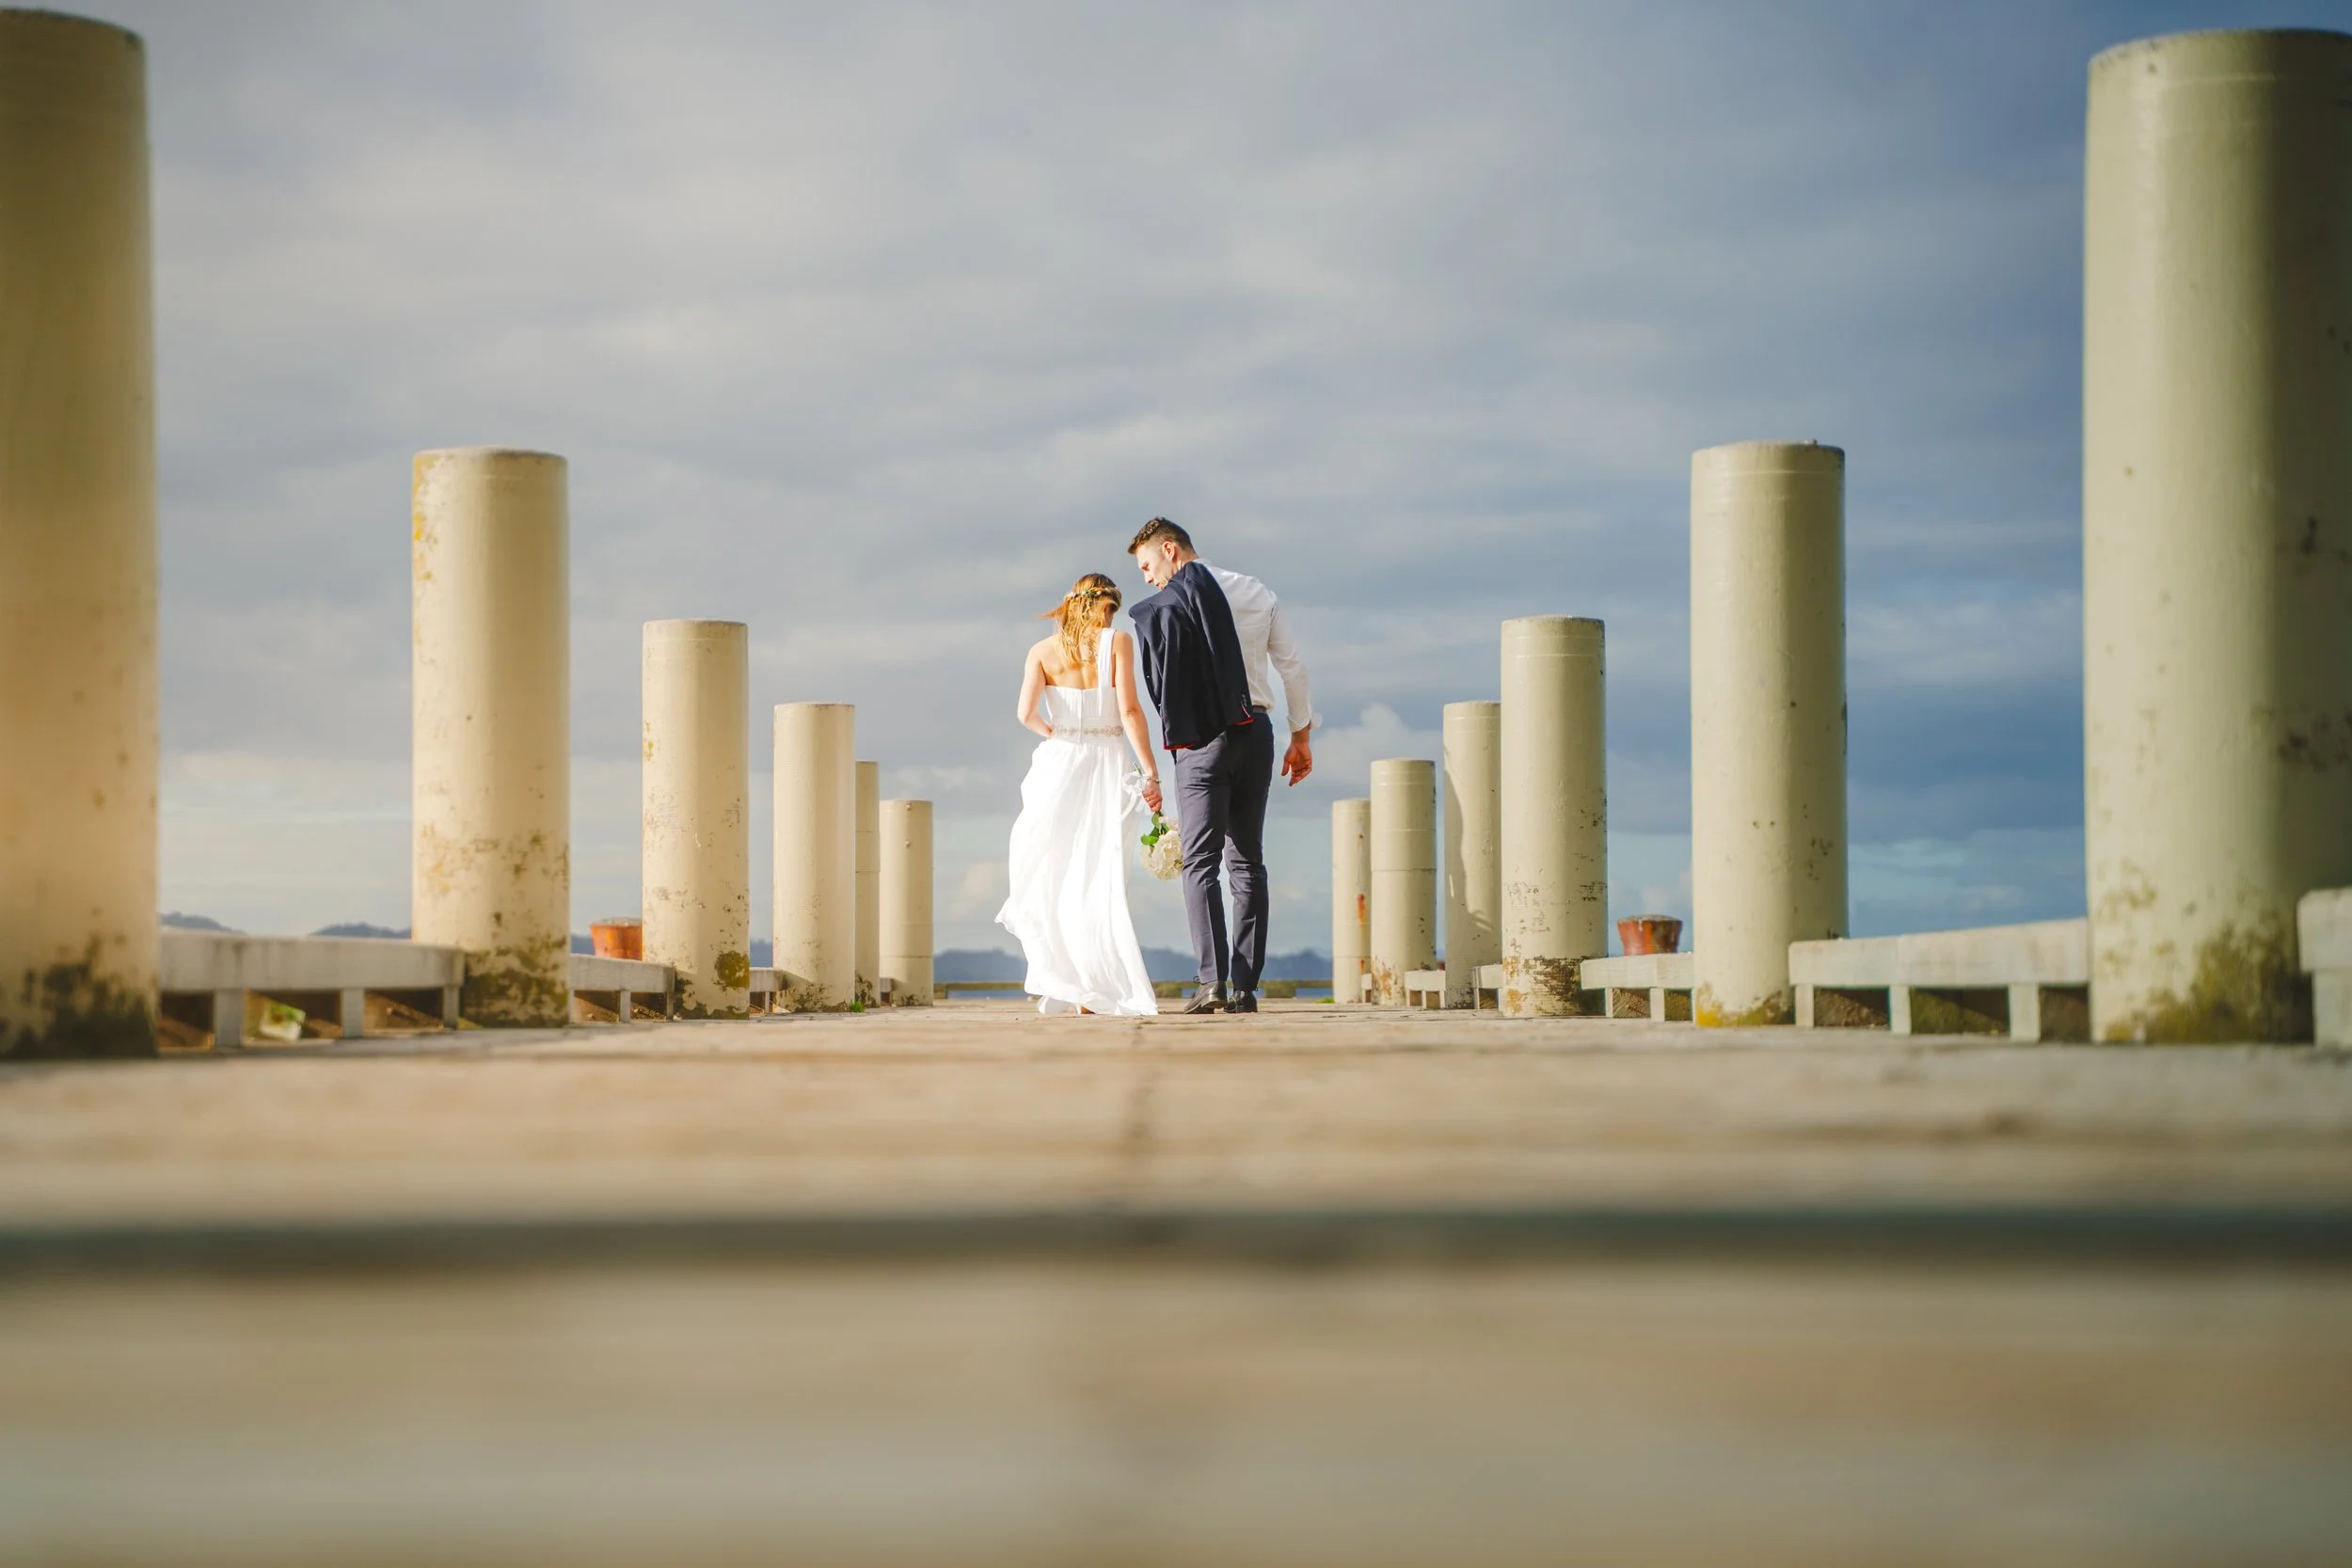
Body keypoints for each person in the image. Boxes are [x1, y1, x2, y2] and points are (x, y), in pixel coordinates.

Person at [1127, 517, 1317, 1015]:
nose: (1148, 579)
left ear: (1170, 550)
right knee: (1247, 862)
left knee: (1200, 861)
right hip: (1257, 733)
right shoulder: (1255, 591)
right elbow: (1291, 665)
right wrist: (1302, 734)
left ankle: (1211, 982)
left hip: (1202, 742)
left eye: (1148, 566)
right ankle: (1245, 988)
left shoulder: (1173, 601)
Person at [994, 573, 1161, 1016]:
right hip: (1107, 760)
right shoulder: (1118, 642)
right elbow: (1128, 709)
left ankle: (1070, 981)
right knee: (1102, 872)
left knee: (1056, 870)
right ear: (1104, 607)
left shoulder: (1041, 652)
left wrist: (1059, 735)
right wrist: (1150, 771)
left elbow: (1025, 713)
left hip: (1061, 761)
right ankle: (1093, 985)